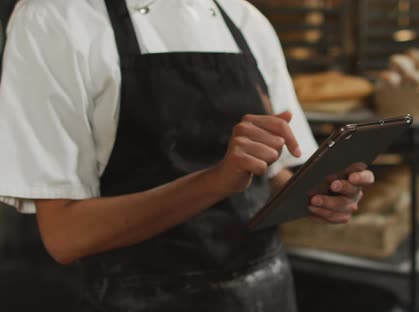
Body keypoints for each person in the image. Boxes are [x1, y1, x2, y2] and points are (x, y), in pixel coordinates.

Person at [0, 0, 375, 311]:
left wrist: (319, 195)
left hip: (267, 293)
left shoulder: (244, 19)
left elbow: (275, 174)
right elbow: (66, 236)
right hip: (141, 299)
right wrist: (214, 181)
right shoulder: (54, 18)